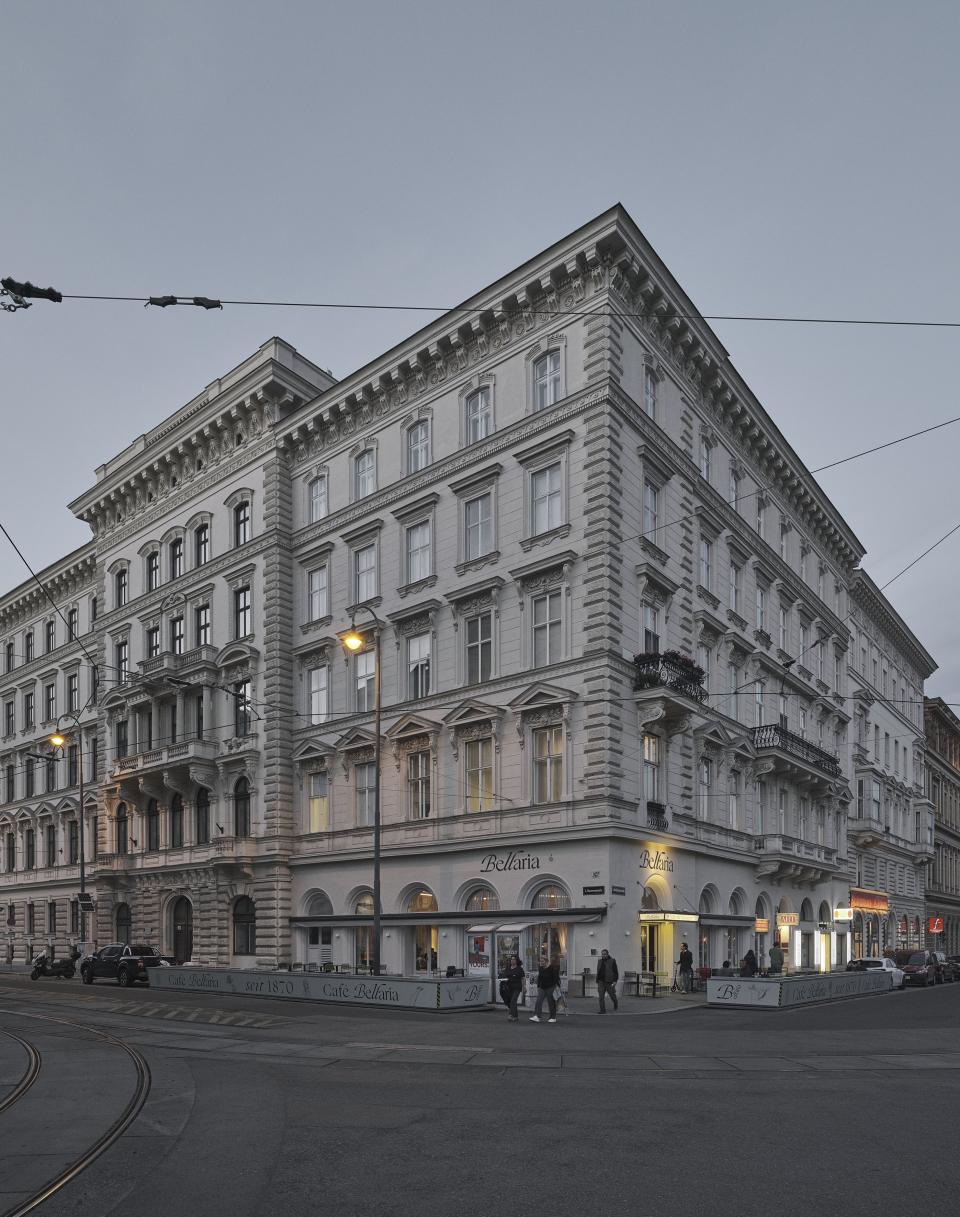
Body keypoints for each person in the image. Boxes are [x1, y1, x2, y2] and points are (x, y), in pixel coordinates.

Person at [530, 954, 561, 1023]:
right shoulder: (540, 968)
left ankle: (552, 1017)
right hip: (542, 987)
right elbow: (540, 978)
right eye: (540, 961)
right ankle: (537, 1016)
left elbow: (556, 978)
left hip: (551, 987)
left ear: (546, 961)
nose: (541, 962)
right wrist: (538, 986)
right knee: (538, 1001)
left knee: (551, 1002)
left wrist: (556, 987)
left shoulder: (552, 968)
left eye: (542, 961)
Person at [499, 954, 525, 1022]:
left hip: (517, 987)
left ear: (517, 960)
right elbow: (504, 976)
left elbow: (523, 978)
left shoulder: (519, 969)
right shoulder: (508, 968)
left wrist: (524, 987)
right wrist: (503, 979)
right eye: (511, 959)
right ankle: (511, 1014)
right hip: (509, 987)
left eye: (514, 959)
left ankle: (514, 1016)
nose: (512, 961)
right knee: (510, 1001)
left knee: (513, 1001)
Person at [596, 948, 619, 1013]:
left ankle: (615, 1002)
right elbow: (598, 971)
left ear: (607, 954)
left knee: (612, 995)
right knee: (601, 997)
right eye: (602, 954)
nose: (603, 955)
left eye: (605, 954)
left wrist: (615, 981)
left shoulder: (612, 961)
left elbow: (615, 972)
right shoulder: (599, 961)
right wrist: (597, 980)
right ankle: (602, 1010)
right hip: (601, 981)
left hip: (609, 982)